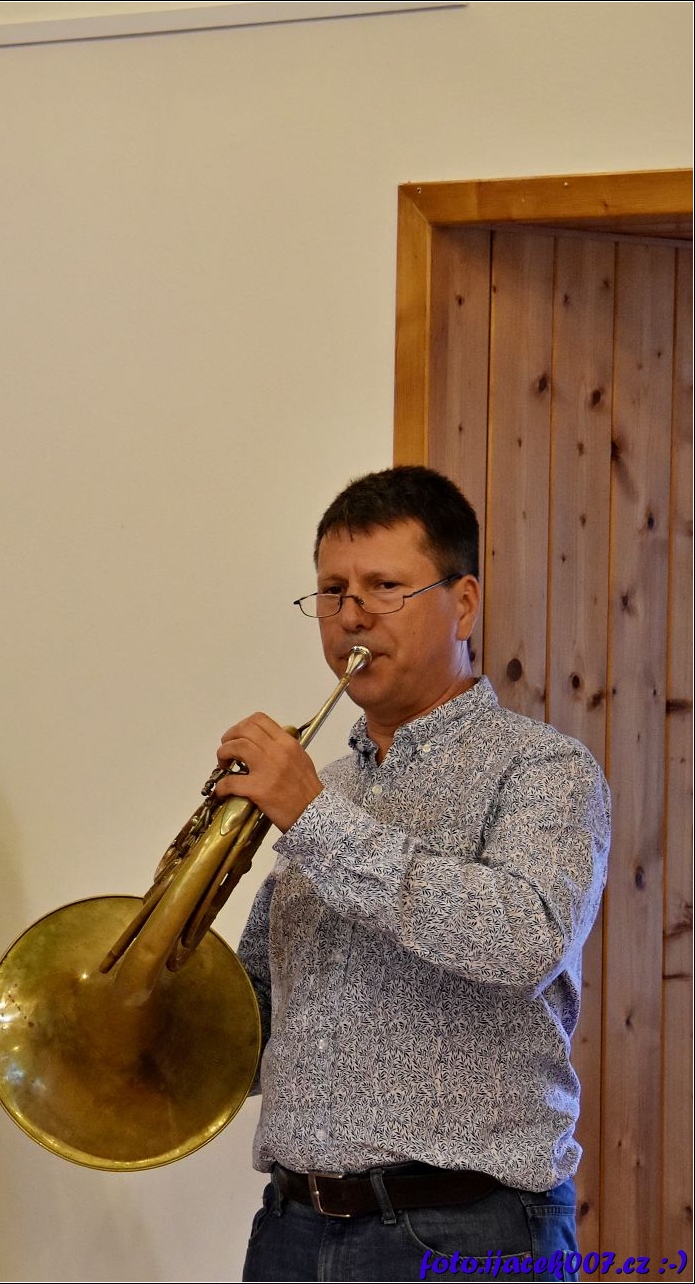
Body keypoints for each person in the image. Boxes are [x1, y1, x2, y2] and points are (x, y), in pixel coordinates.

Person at [214, 466, 610, 1281]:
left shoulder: (544, 768)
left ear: (462, 604)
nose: (350, 615)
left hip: (470, 1231)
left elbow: (523, 940)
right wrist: (150, 999)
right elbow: (263, 1014)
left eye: (384, 587)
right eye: (332, 590)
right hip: (290, 1230)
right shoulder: (326, 789)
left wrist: (313, 819)